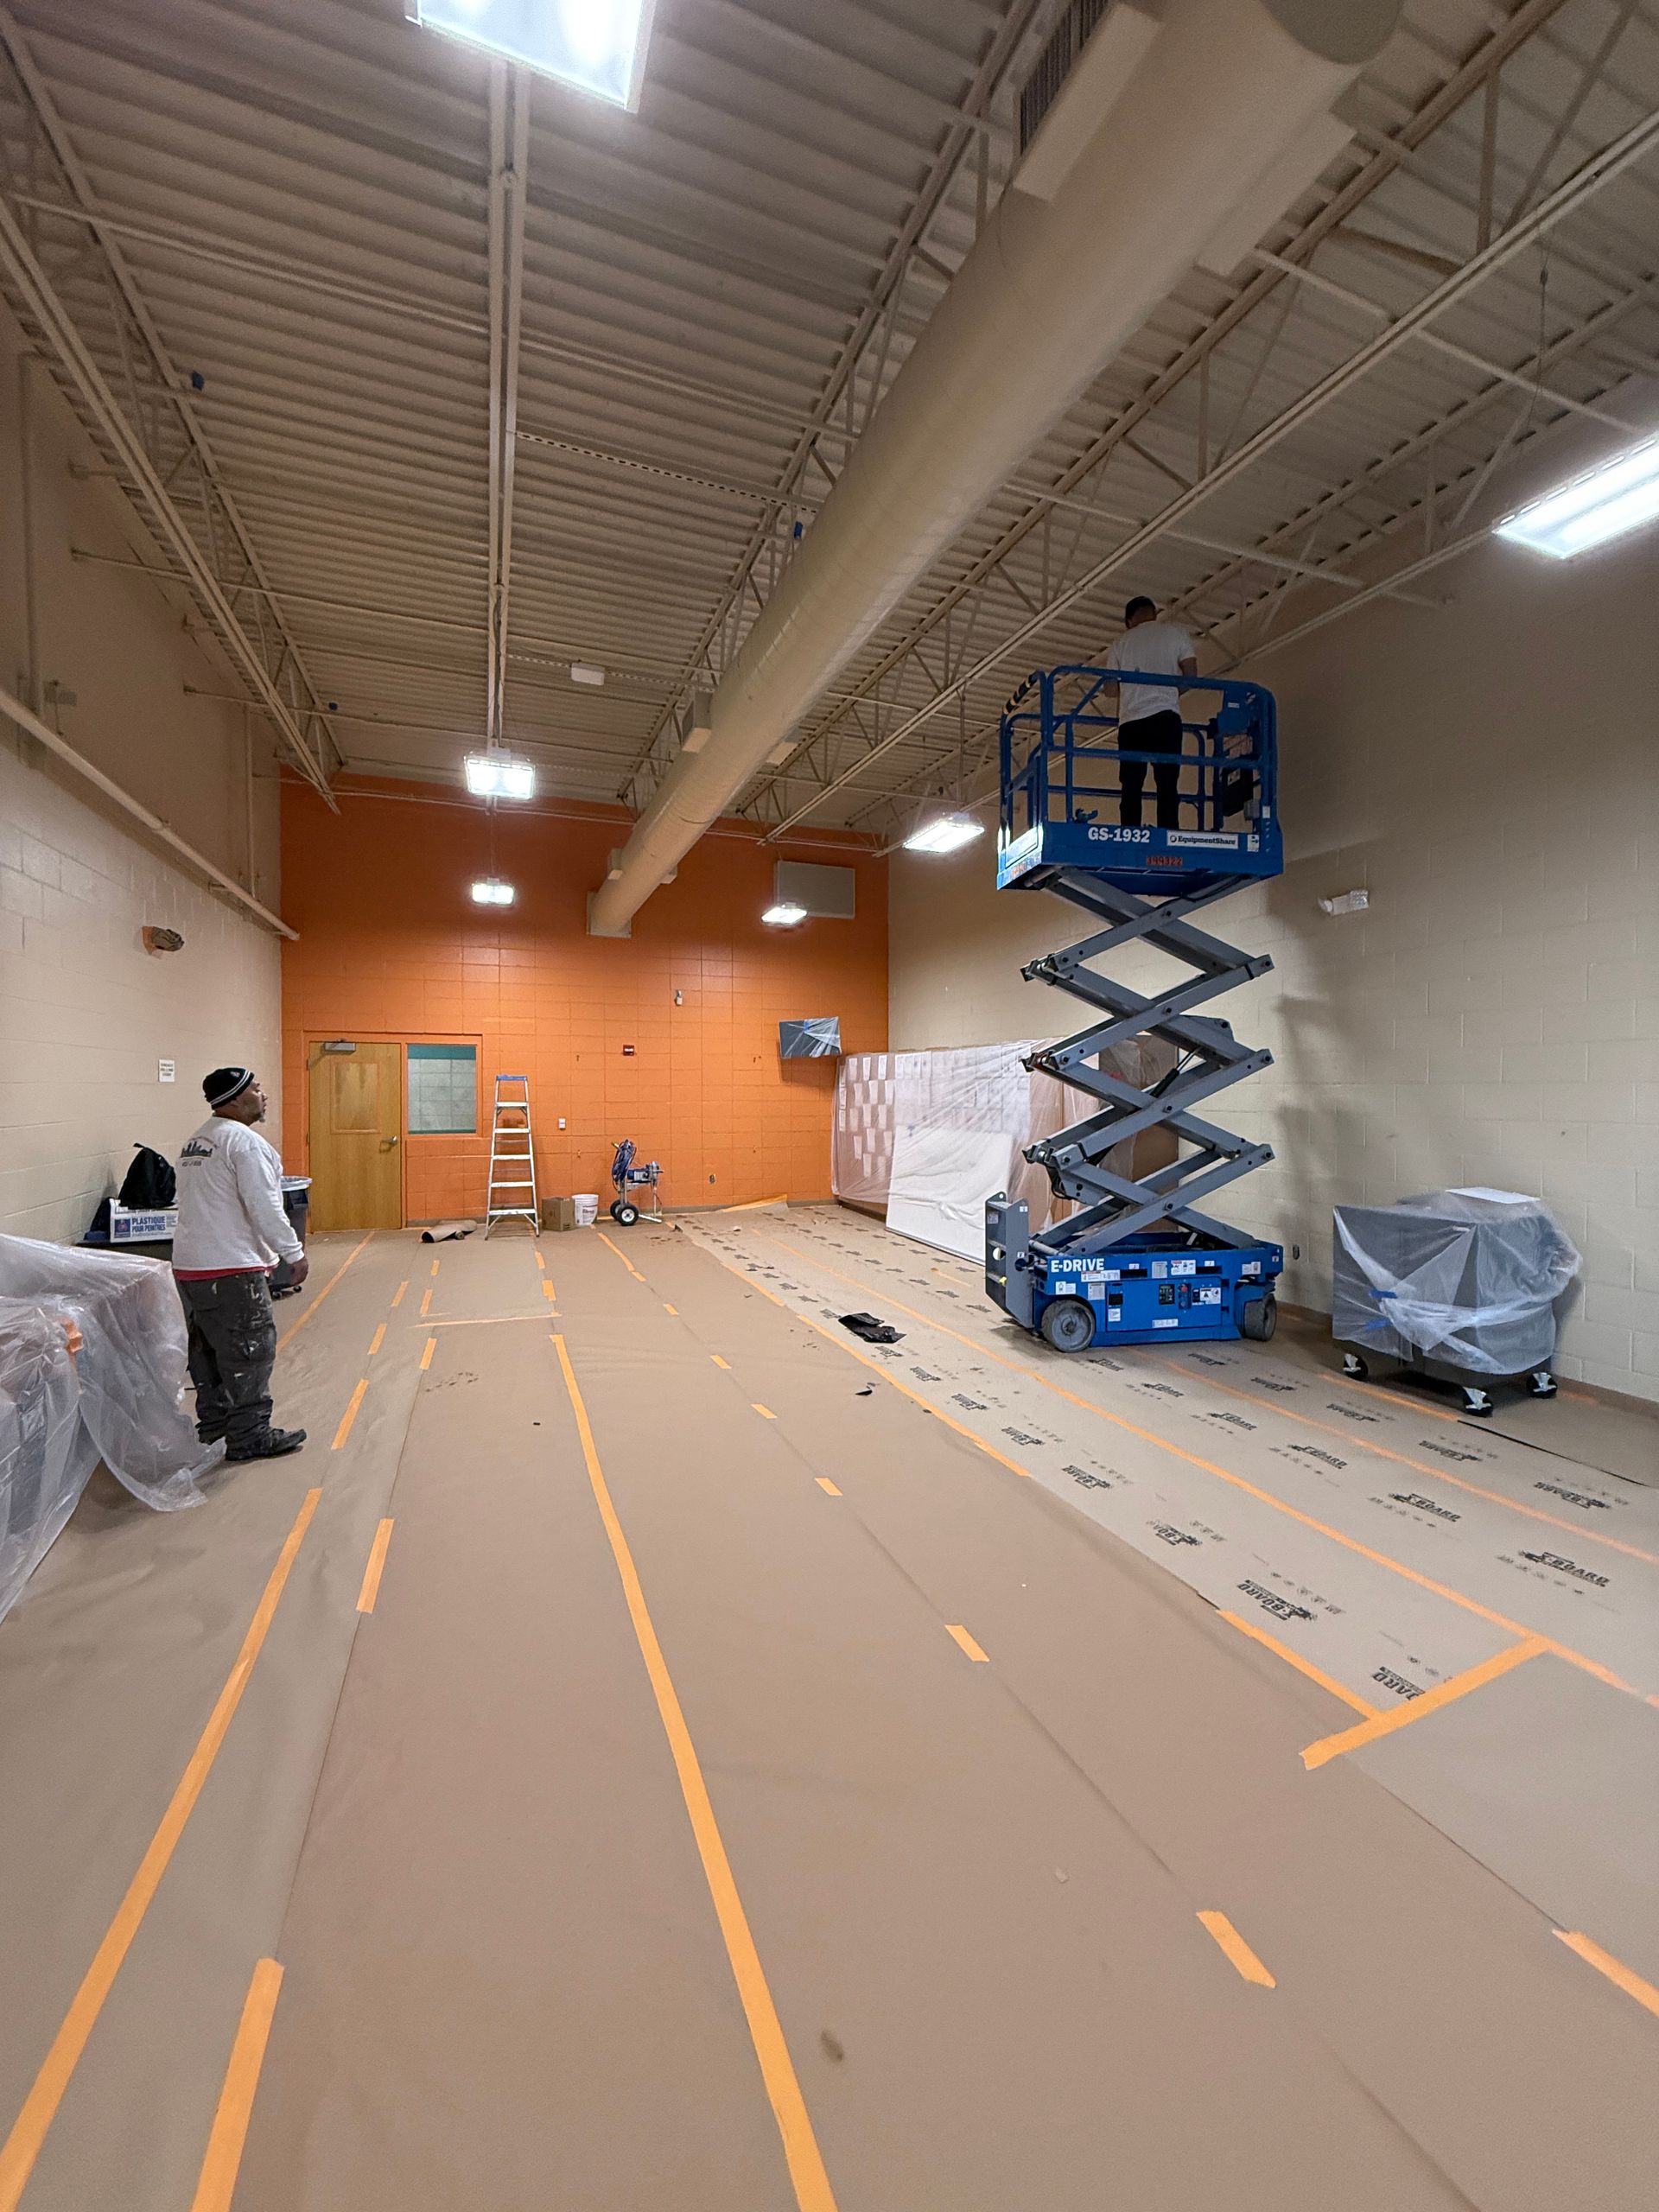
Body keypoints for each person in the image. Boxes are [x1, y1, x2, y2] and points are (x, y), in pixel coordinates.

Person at [173, 1068, 308, 1461]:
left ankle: (215, 1426)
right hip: (231, 1266)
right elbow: (264, 1206)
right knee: (250, 1350)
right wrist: (293, 1252)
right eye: (256, 1089)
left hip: (192, 1267)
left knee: (209, 1352)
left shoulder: (197, 1141)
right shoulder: (244, 1144)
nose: (263, 1095)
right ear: (234, 1099)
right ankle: (250, 1436)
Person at [1103, 595, 1198, 829]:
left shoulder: (1121, 643)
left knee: (1131, 784)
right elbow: (1191, 676)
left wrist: (1133, 689)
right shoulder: (1176, 634)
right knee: (1167, 781)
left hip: (1131, 721)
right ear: (1154, 612)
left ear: (1129, 620)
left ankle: (1130, 831)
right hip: (1166, 716)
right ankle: (1169, 831)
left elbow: (1110, 689)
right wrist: (1169, 694)